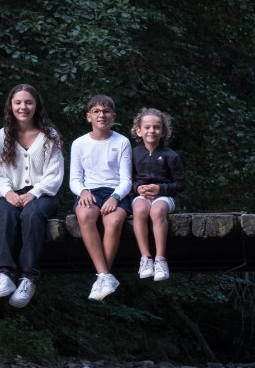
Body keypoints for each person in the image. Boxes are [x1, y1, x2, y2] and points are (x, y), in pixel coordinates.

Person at [0, 84, 65, 308]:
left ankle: (28, 278)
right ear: (10, 106)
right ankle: (4, 274)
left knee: (31, 215)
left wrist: (34, 192)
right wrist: (7, 192)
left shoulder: (50, 136)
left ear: (36, 106)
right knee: (4, 214)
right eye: (18, 102)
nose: (23, 107)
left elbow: (55, 175)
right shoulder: (0, 136)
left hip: (43, 194)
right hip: (10, 193)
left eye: (28, 102)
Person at [69, 94, 132, 301]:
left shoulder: (122, 142)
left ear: (113, 116)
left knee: (113, 220)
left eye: (106, 111)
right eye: (96, 111)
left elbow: (126, 179)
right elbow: (74, 179)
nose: (101, 115)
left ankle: (102, 277)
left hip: (116, 191)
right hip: (90, 191)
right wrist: (83, 192)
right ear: (89, 116)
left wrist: (115, 197)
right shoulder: (79, 143)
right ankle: (105, 276)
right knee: (84, 215)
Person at [130, 107, 184, 282]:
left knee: (156, 211)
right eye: (147, 127)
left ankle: (160, 259)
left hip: (164, 197)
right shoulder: (133, 154)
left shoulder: (171, 156)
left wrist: (160, 189)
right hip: (141, 196)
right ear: (139, 131)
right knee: (139, 210)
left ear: (163, 131)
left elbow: (180, 184)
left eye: (156, 127)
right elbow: (127, 180)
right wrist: (138, 188)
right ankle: (145, 258)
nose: (151, 131)